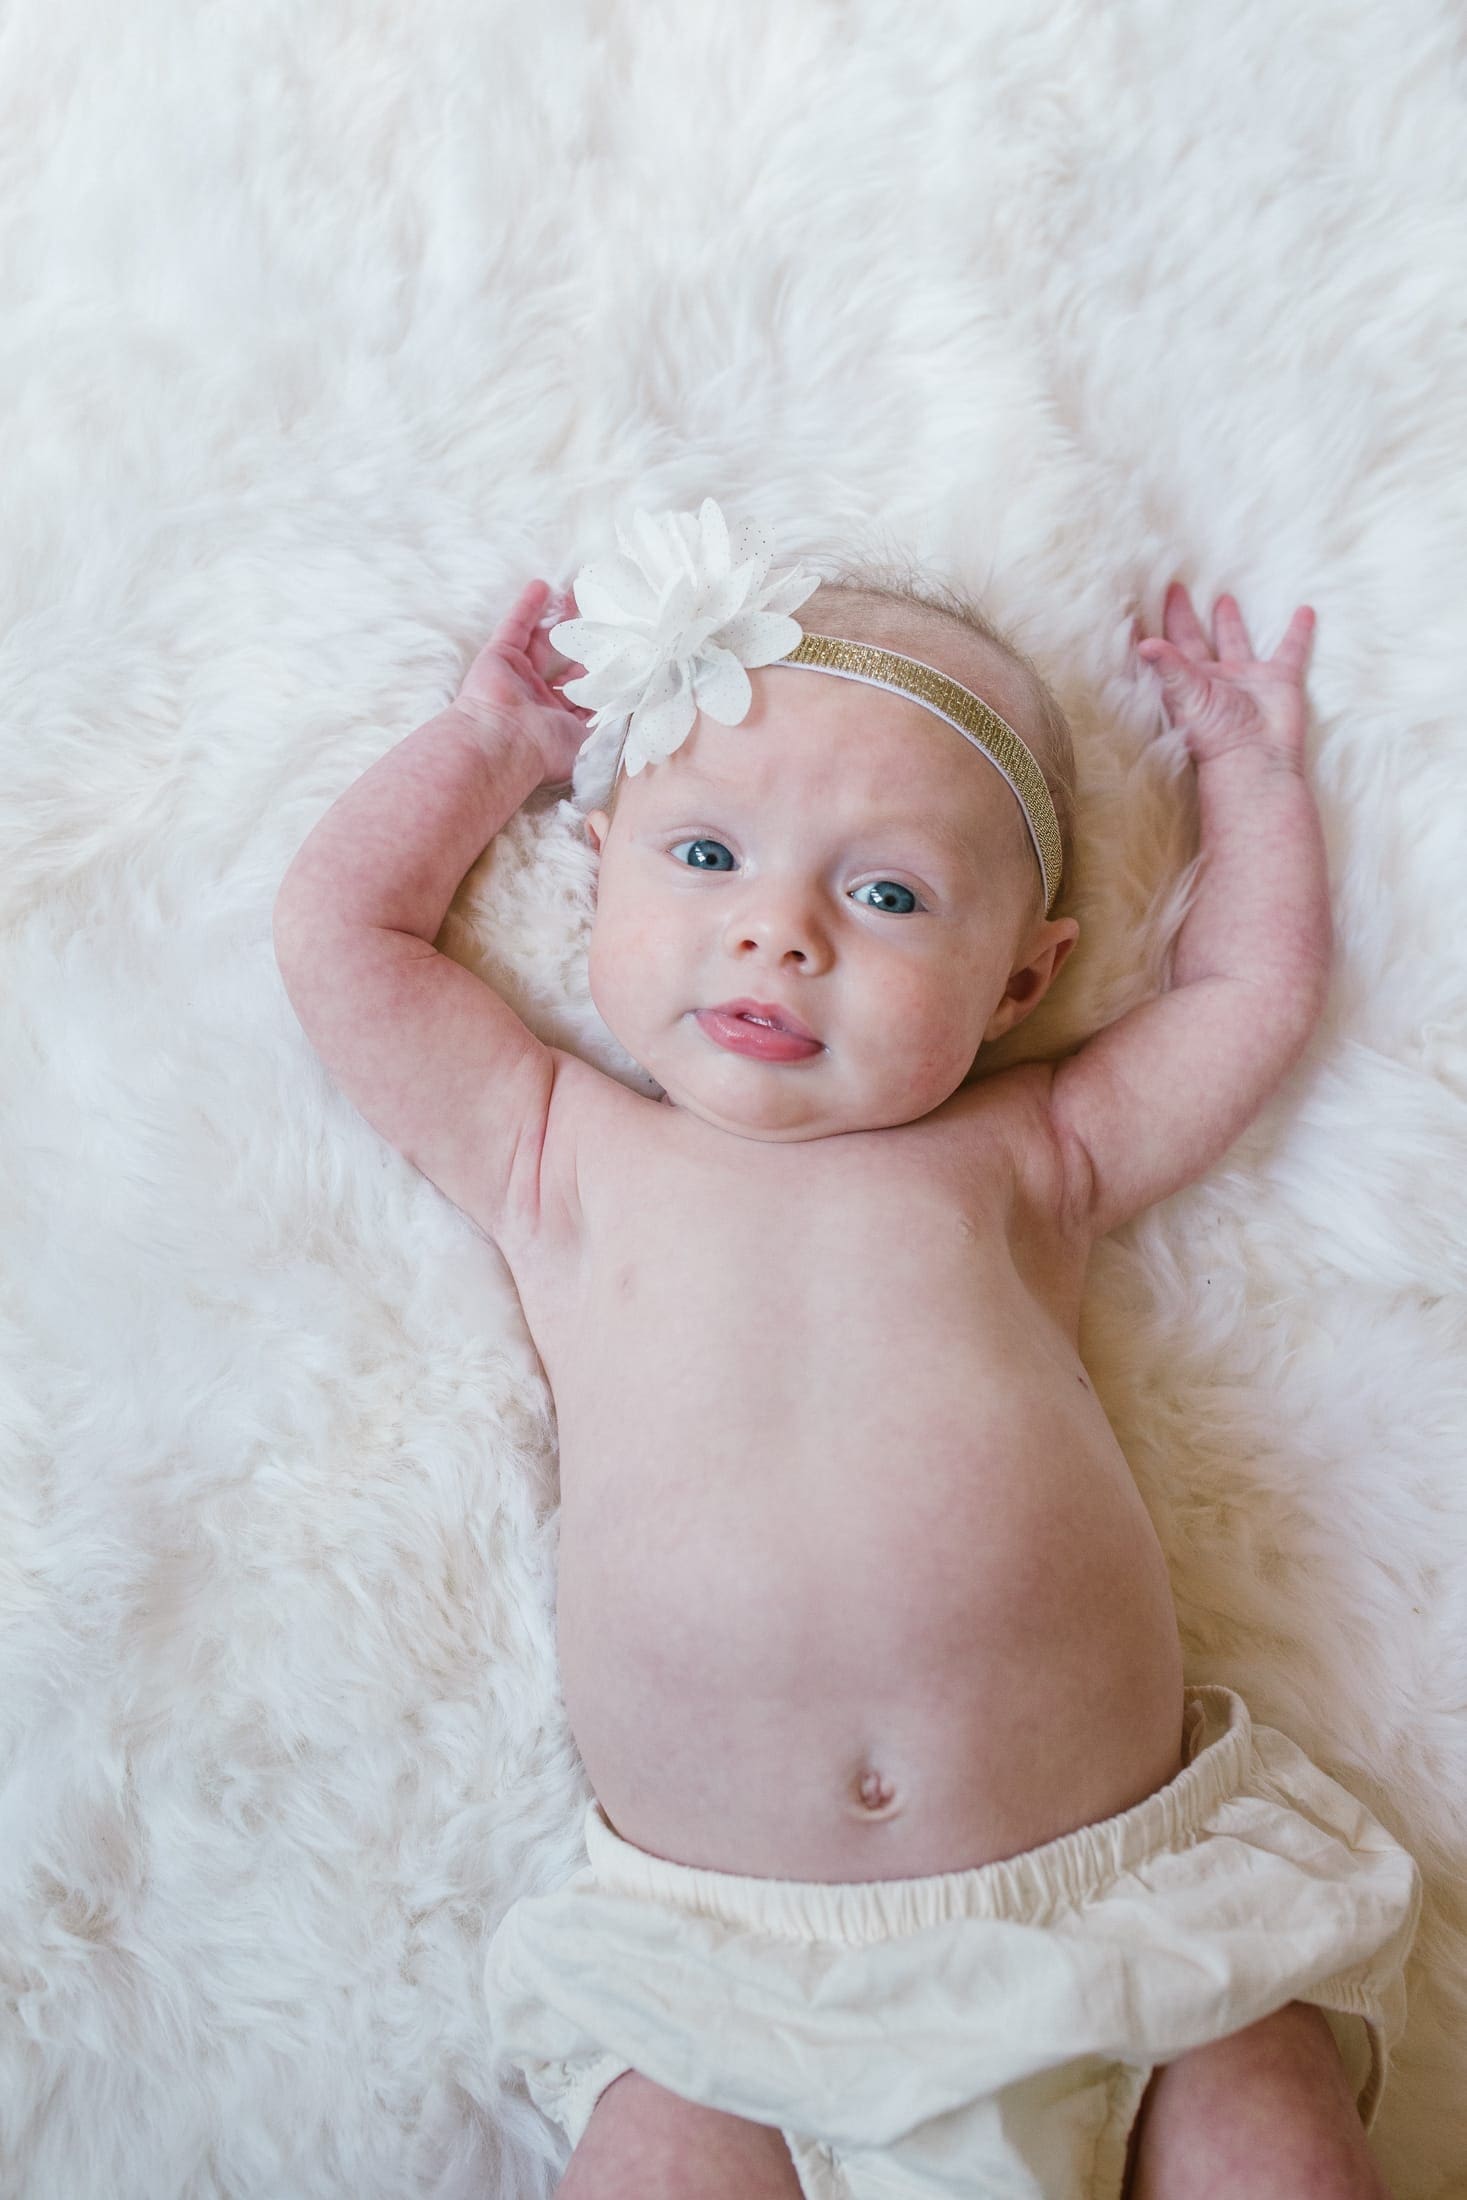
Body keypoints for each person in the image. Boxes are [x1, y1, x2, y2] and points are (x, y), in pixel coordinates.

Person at [271, 499, 1420, 2198]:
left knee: (1273, 2150)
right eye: (707, 857)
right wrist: (489, 745)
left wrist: (1248, 784)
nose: (779, 931)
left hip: (1131, 1921)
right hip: (723, 1975)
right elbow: (341, 940)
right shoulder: (557, 1154)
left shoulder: (1033, 1160)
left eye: (886, 893)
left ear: (1021, 984)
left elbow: (1242, 994)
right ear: (599, 874)